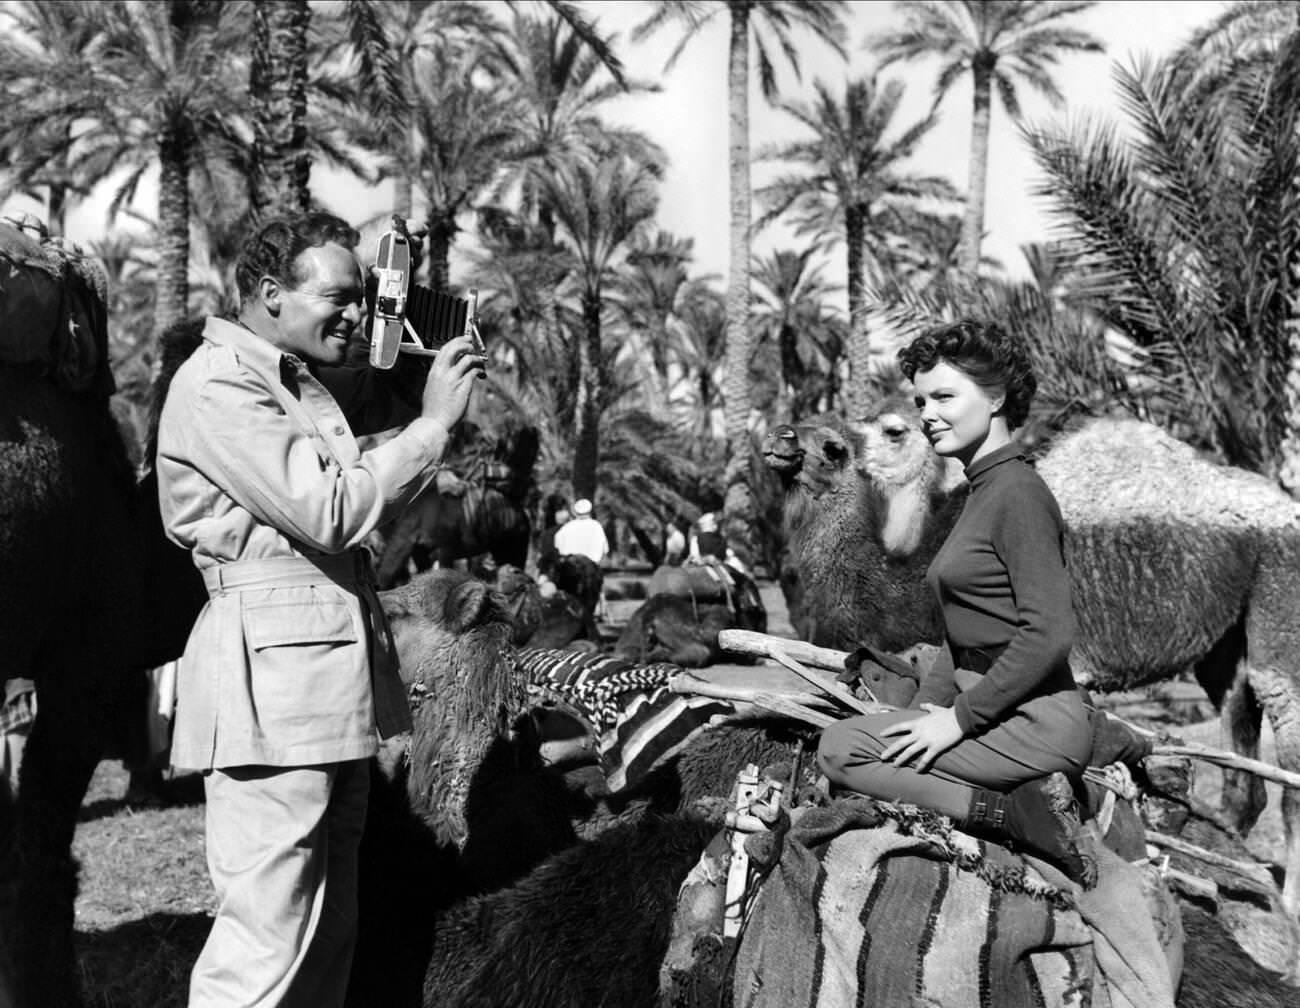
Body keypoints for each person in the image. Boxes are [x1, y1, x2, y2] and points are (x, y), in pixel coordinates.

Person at [156, 211, 484, 1007]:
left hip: (326, 695)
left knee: (326, 938)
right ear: (270, 292)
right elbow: (328, 508)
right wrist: (432, 427)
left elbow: (346, 476)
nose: (357, 313)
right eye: (339, 295)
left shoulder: (285, 389)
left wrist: (418, 422)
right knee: (265, 944)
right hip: (273, 696)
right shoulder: (219, 383)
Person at [817, 319, 1105, 885]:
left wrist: (958, 722)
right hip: (993, 716)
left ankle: (1015, 816)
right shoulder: (983, 490)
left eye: (946, 396)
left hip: (1031, 725)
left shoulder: (1018, 493)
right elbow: (963, 631)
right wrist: (932, 704)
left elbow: (1048, 632)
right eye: (923, 399)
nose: (929, 413)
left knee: (840, 749)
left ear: (997, 397)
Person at [553, 497, 609, 565]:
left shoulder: (567, 527)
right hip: (591, 568)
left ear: (576, 512)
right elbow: (605, 549)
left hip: (571, 567)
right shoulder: (596, 526)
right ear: (590, 511)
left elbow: (557, 544)